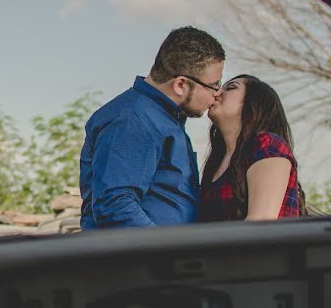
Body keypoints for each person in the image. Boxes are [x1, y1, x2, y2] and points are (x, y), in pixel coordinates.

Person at [80, 26, 226, 229]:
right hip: (144, 259)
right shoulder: (134, 120)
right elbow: (115, 206)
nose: (217, 94)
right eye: (214, 85)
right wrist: (167, 253)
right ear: (181, 85)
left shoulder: (159, 118)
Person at [199, 75, 305, 222]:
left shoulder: (268, 145)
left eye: (230, 88)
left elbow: (261, 222)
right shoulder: (217, 160)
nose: (216, 93)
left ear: (253, 103)